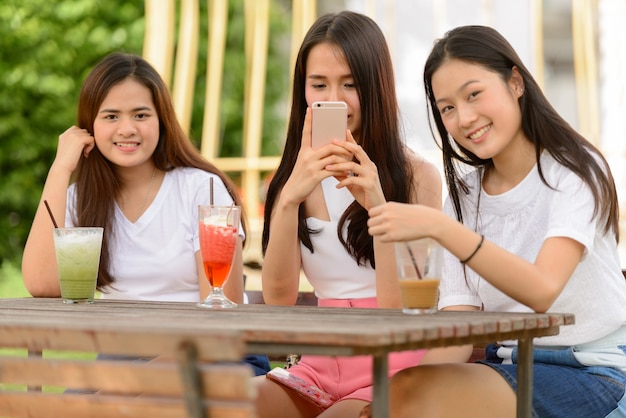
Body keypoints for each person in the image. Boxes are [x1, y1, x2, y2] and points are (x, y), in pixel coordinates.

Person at [363, 25, 626, 417]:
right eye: (447, 108)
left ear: (515, 82)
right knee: (400, 395)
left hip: (593, 368)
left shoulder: (575, 171)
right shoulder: (465, 197)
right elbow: (458, 327)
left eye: (474, 94)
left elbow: (542, 290)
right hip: (508, 366)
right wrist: (390, 402)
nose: (465, 118)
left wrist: (440, 228)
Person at [21, 52, 270, 376]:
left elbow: (225, 310)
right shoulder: (82, 199)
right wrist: (61, 168)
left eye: (140, 115)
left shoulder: (201, 189)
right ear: (89, 126)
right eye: (111, 116)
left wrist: (134, 382)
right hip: (123, 360)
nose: (127, 129)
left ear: (161, 120)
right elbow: (42, 283)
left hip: (214, 356)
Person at [257, 11, 442, 418]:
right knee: (226, 405)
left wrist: (377, 204)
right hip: (319, 364)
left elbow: (398, 310)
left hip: (394, 363)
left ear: (376, 88)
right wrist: (288, 200)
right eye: (318, 85)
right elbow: (279, 299)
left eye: (351, 85)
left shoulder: (418, 178)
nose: (334, 99)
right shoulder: (292, 183)